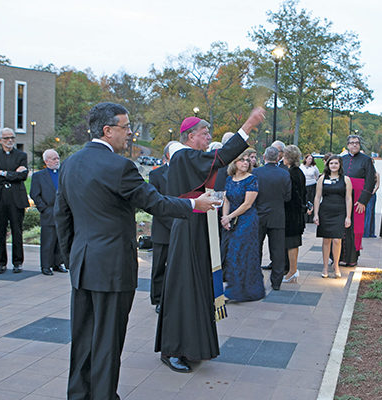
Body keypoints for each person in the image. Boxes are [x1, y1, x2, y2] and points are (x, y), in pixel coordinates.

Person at [54, 102, 205, 399]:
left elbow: (62, 216)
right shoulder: (120, 167)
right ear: (108, 130)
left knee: (82, 338)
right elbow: (156, 202)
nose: (130, 133)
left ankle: (79, 395)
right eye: (125, 127)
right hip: (112, 269)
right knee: (108, 340)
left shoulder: (71, 162)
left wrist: (73, 255)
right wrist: (192, 204)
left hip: (83, 265)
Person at [155, 108, 265, 373]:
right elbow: (222, 157)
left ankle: (194, 346)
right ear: (190, 136)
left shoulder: (188, 157)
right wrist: (248, 124)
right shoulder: (183, 155)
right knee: (184, 287)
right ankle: (173, 350)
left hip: (197, 225)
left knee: (197, 286)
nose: (208, 139)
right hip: (188, 227)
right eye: (204, 135)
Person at [221, 151, 264, 301]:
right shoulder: (229, 179)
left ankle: (243, 291)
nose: (246, 162)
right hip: (231, 219)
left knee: (240, 253)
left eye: (247, 160)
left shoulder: (252, 179)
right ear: (234, 163)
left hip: (247, 221)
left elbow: (247, 204)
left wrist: (229, 217)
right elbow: (226, 200)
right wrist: (224, 218)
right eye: (242, 160)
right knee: (231, 254)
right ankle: (235, 288)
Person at [253, 146, 291, 289]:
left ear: (264, 157)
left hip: (259, 214)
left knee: (256, 248)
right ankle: (276, 282)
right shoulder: (284, 174)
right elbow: (288, 196)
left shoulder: (256, 172)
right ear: (278, 158)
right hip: (277, 215)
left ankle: (257, 279)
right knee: (277, 250)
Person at [0, 127, 29, 274]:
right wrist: (14, 173)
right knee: (0, 232)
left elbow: (23, 176)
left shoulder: (21, 155)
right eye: (7, 138)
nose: (10, 141)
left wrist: (3, 173)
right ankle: (1, 263)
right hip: (0, 198)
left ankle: (17, 262)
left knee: (17, 231)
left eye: (12, 138)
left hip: (16, 198)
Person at [30, 149, 68, 276]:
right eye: (53, 159)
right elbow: (34, 194)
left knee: (60, 239)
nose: (57, 161)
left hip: (62, 211)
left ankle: (57, 263)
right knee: (48, 240)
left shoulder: (63, 173)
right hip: (48, 211)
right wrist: (44, 208)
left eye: (57, 158)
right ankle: (46, 266)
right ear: (46, 161)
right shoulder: (38, 176)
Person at [340, 135, 375, 267]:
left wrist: (363, 201)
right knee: (342, 226)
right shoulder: (342, 159)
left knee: (354, 228)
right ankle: (339, 257)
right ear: (347, 145)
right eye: (352, 143)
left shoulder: (366, 160)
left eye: (357, 143)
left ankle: (352, 258)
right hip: (343, 197)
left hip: (358, 199)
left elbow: (370, 181)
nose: (355, 145)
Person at [314, 155, 352, 278]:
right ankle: (325, 267)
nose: (334, 165)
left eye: (336, 163)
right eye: (331, 163)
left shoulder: (346, 179)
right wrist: (316, 214)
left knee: (337, 240)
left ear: (340, 165)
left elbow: (348, 198)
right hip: (325, 211)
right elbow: (317, 197)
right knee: (326, 240)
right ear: (328, 165)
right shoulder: (322, 178)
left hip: (340, 212)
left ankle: (336, 265)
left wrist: (348, 216)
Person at [148, 143, 174, 313]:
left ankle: (174, 298)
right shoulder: (155, 174)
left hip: (183, 228)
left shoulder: (187, 174)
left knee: (176, 267)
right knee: (159, 266)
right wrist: (173, 223)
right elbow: (154, 204)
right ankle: (158, 299)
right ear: (167, 156)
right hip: (163, 228)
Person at [282, 145, 306, 284]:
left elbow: (293, 195)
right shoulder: (298, 172)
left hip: (291, 214)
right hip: (296, 213)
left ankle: (292, 271)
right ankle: (293, 270)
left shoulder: (292, 173)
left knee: (291, 243)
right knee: (293, 243)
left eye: (285, 156)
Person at [363, 159, 380, 238]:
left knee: (370, 212)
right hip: (364, 193)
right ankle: (363, 231)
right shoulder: (364, 172)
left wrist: (373, 191)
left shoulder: (376, 174)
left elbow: (377, 185)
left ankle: (369, 232)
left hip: (372, 194)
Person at [301, 154, 320, 223]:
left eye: (311, 159)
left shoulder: (314, 167)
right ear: (305, 159)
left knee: (311, 200)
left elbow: (317, 175)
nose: (310, 160)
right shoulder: (301, 166)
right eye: (309, 159)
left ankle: (311, 217)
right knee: (305, 200)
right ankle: (305, 217)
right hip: (304, 186)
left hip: (312, 185)